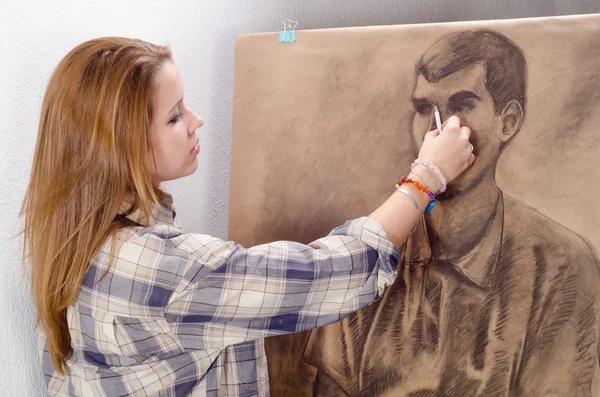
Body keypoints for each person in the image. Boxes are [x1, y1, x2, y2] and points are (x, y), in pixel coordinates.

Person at [19, 37, 474, 396]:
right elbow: (327, 274)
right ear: (120, 144)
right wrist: (426, 177)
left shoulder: (70, 238)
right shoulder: (164, 268)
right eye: (174, 117)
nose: (197, 121)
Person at [299, 29, 600, 396]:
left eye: (462, 105)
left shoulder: (562, 264)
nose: (436, 131)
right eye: (425, 108)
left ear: (508, 122)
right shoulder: (369, 253)